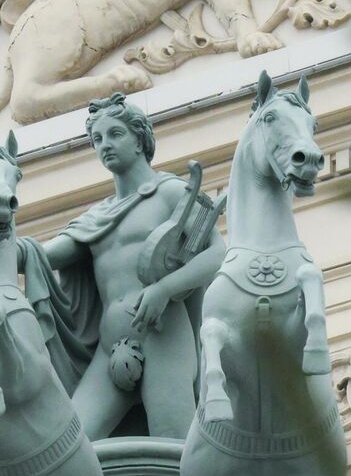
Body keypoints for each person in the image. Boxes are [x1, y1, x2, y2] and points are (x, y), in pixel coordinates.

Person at [32, 94, 226, 439]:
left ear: (139, 139)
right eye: (97, 139)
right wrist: (3, 244)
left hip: (163, 338)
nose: (104, 145)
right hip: (110, 346)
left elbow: (216, 252)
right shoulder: (96, 217)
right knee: (70, 447)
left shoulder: (171, 193)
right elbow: (44, 257)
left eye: (115, 134)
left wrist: (164, 290)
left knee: (174, 449)